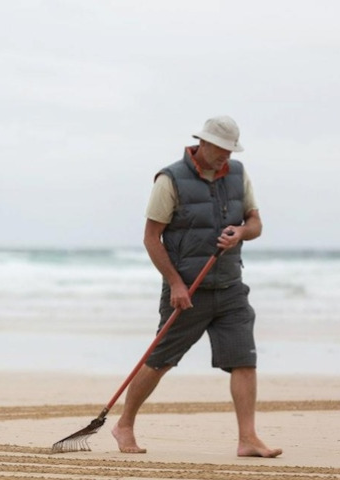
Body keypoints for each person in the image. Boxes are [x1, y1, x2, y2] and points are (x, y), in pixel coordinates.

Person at [112, 115, 282, 458]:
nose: (226, 156)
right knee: (160, 360)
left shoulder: (238, 173)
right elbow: (151, 238)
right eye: (221, 149)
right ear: (202, 143)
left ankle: (247, 438)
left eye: (231, 150)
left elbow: (256, 223)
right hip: (187, 291)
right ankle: (124, 424)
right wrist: (175, 284)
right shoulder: (170, 179)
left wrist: (242, 232)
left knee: (244, 360)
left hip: (231, 287)